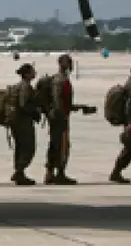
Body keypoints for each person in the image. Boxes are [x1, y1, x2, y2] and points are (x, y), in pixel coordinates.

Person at [45, 54, 80, 185]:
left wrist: (77, 107)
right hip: (59, 118)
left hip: (58, 117)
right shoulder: (60, 80)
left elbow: (64, 101)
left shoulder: (60, 79)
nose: (70, 65)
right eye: (68, 62)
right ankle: (59, 173)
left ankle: (50, 173)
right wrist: (62, 116)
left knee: (55, 144)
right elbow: (57, 100)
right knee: (62, 146)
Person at [10, 63, 40, 185]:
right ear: (27, 75)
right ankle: (19, 171)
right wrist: (35, 110)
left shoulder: (21, 86)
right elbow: (23, 104)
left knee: (21, 147)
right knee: (28, 147)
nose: (35, 73)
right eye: (32, 71)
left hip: (18, 121)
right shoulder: (25, 87)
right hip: (23, 122)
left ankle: (19, 172)